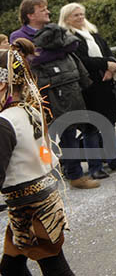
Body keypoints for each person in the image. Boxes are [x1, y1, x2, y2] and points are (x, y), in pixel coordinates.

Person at [0, 39, 75, 276]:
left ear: (2, 85)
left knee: (54, 267)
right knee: (12, 267)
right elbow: (46, 154)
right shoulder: (30, 110)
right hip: (40, 199)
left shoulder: (5, 122)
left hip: (30, 207)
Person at [12, 0, 100, 190]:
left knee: (69, 130)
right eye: (42, 10)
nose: (47, 12)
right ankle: (46, 174)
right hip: (39, 92)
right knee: (42, 137)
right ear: (30, 15)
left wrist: (43, 52)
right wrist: (53, 51)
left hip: (65, 88)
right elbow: (29, 60)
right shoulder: (18, 35)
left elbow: (71, 46)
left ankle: (76, 175)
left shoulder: (54, 28)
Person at [58, 3, 116, 177]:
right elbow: (81, 60)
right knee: (91, 128)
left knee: (109, 125)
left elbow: (107, 52)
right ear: (66, 18)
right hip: (88, 87)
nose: (80, 18)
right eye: (75, 15)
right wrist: (105, 64)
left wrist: (110, 68)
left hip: (105, 84)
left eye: (81, 14)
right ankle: (95, 167)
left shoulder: (92, 33)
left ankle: (115, 159)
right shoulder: (68, 38)